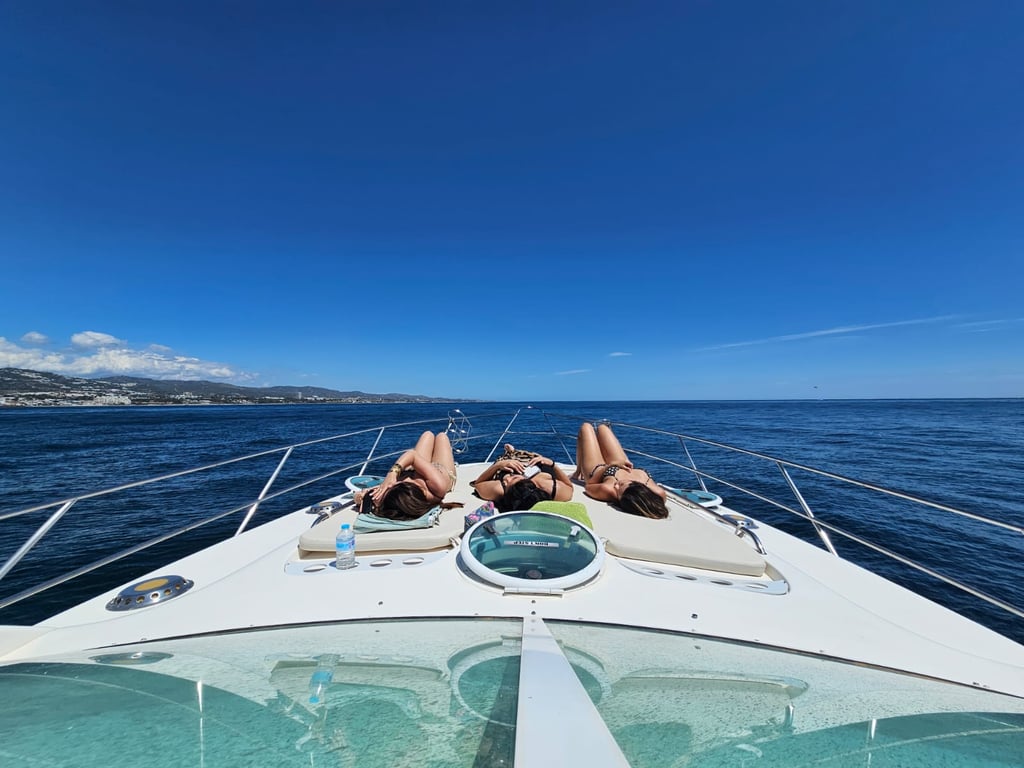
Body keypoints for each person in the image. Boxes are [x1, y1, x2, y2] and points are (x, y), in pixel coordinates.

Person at [354, 431, 462, 521]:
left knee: (427, 435)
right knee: (441, 437)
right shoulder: (437, 486)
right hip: (441, 469)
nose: (393, 484)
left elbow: (359, 496)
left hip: (415, 470)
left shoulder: (397, 498)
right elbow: (412, 454)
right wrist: (393, 473)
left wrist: (363, 498)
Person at [574, 422, 668, 519]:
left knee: (586, 427)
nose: (616, 486)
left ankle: (577, 472)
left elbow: (589, 485)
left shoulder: (608, 490)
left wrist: (608, 467)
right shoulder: (659, 493)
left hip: (598, 470)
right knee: (603, 428)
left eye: (617, 492)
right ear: (638, 486)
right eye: (622, 485)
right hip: (620, 464)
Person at [471, 444, 574, 512]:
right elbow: (569, 486)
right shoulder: (551, 488)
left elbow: (478, 484)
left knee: (506, 459)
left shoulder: (499, 489)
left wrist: (499, 465)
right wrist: (552, 464)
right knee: (532, 457)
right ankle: (513, 452)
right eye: (514, 478)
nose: (506, 480)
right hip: (536, 461)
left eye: (506, 484)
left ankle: (510, 453)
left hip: (507, 463)